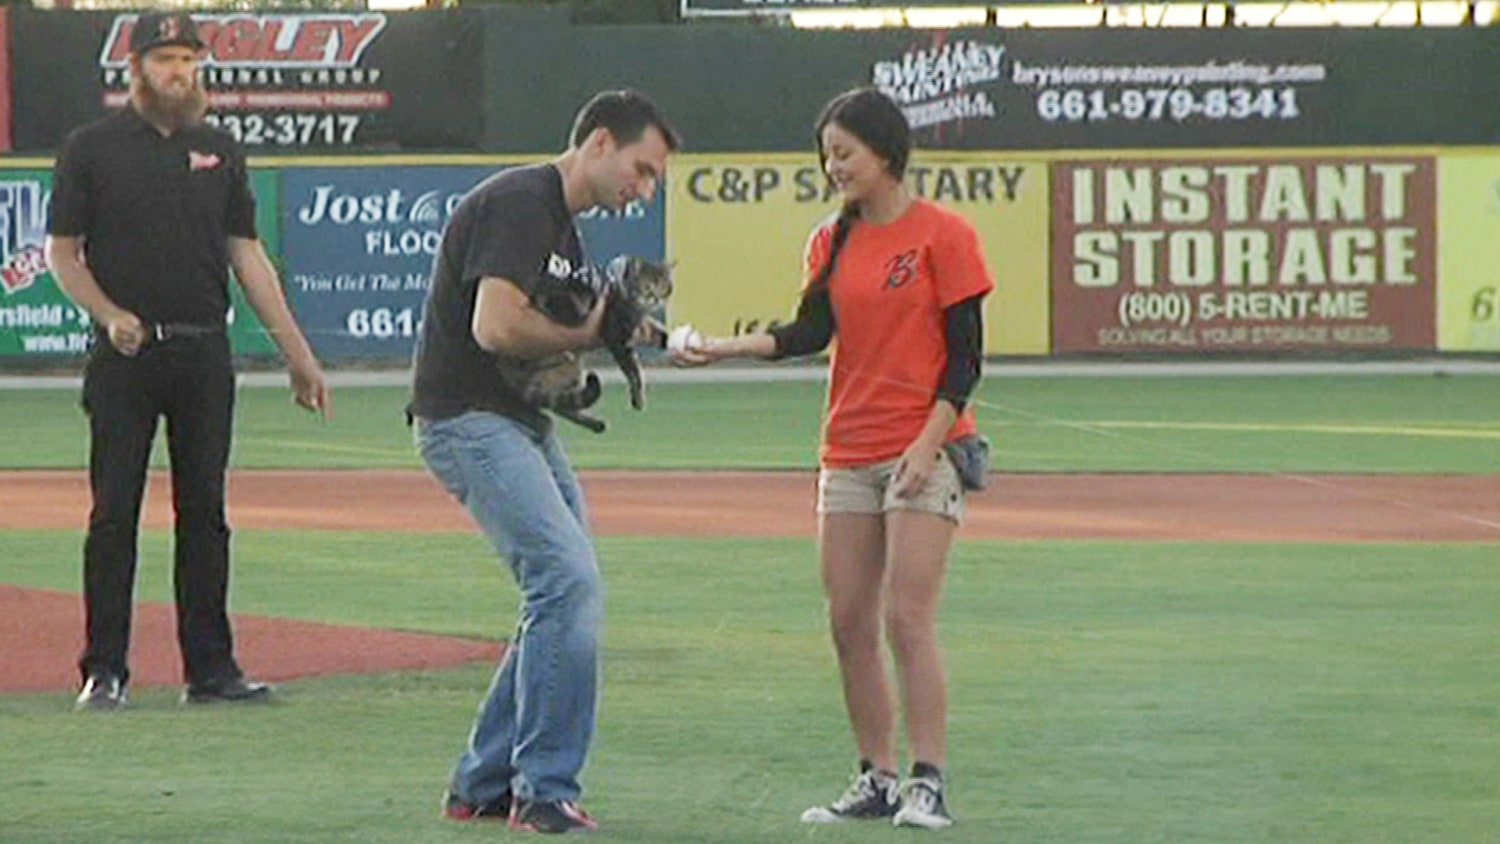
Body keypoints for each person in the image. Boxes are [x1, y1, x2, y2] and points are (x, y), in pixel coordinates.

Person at [669, 87, 993, 830]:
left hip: (928, 447)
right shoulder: (833, 240)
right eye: (826, 155)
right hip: (847, 450)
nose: (833, 166)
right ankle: (876, 777)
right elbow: (807, 332)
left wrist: (925, 446)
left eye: (844, 152)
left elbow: (966, 359)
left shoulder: (943, 235)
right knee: (848, 621)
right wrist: (720, 348)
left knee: (906, 617)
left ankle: (928, 781)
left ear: (885, 150)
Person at [409, 89, 679, 834]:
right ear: (599, 142)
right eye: (643, 168)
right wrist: (592, 329)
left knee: (559, 595)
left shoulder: (562, 225)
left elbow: (556, 329)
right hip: (467, 420)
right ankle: (544, 789)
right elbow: (495, 326)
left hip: (516, 423)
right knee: (567, 582)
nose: (645, 188)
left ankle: (482, 783)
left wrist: (649, 335)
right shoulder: (524, 203)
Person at [45, 11, 330, 712]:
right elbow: (61, 253)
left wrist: (297, 352)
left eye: (188, 58)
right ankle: (103, 668)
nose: (181, 71)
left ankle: (212, 669)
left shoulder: (219, 148)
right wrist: (109, 314)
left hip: (204, 350)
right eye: (166, 58)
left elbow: (246, 254)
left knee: (205, 513)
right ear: (136, 67)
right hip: (125, 358)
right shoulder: (92, 148)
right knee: (115, 513)